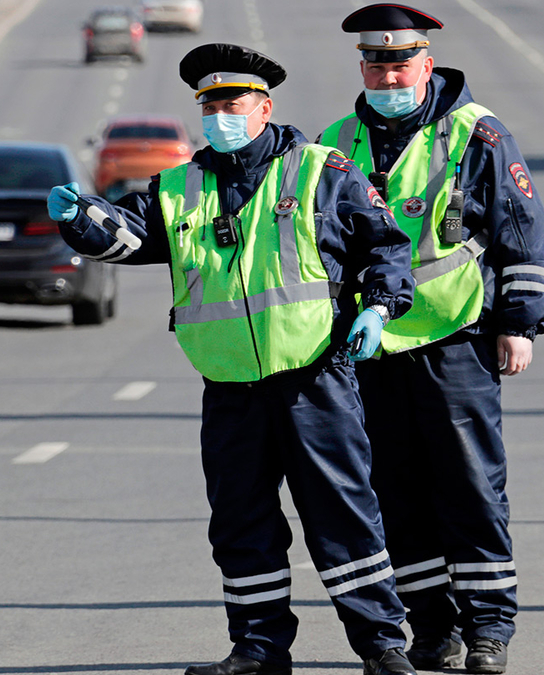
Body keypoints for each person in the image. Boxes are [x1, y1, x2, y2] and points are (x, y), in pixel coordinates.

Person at [47, 44, 419, 675]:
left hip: (314, 377)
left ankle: (382, 645)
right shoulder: (178, 185)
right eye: (211, 104)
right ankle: (258, 648)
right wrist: (83, 219)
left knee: (342, 514)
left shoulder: (320, 170)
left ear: (264, 107)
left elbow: (384, 246)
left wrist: (379, 307)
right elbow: (130, 238)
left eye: (233, 102)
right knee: (240, 523)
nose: (220, 113)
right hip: (228, 387)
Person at [318, 6, 544, 672]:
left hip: (457, 336)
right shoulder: (335, 143)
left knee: (471, 485)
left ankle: (488, 628)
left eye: (401, 64)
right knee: (394, 490)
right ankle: (432, 626)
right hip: (369, 347)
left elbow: (527, 234)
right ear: (361, 67)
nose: (388, 75)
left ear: (427, 64)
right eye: (377, 63)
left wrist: (519, 322)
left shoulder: (476, 135)